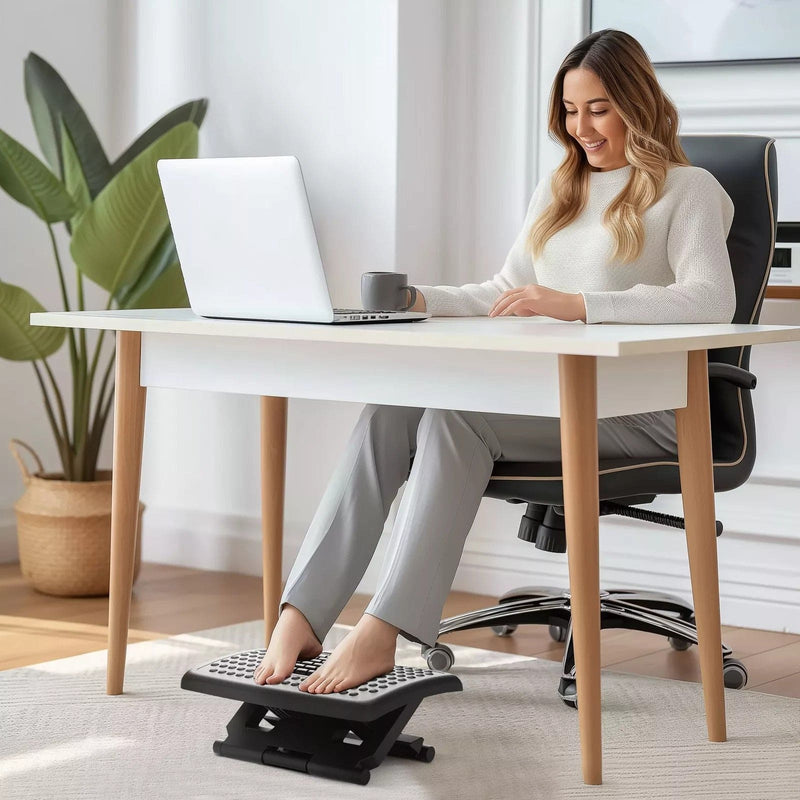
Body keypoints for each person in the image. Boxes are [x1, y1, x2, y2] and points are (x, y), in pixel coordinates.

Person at [254, 28, 736, 694]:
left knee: (457, 418)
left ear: (637, 102)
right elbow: (503, 294)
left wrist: (576, 304)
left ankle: (382, 631)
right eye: (570, 111)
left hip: (645, 410)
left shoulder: (689, 190)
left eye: (598, 107)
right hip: (551, 398)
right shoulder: (560, 188)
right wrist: (422, 300)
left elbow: (712, 297)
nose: (581, 127)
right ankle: (302, 613)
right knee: (391, 409)